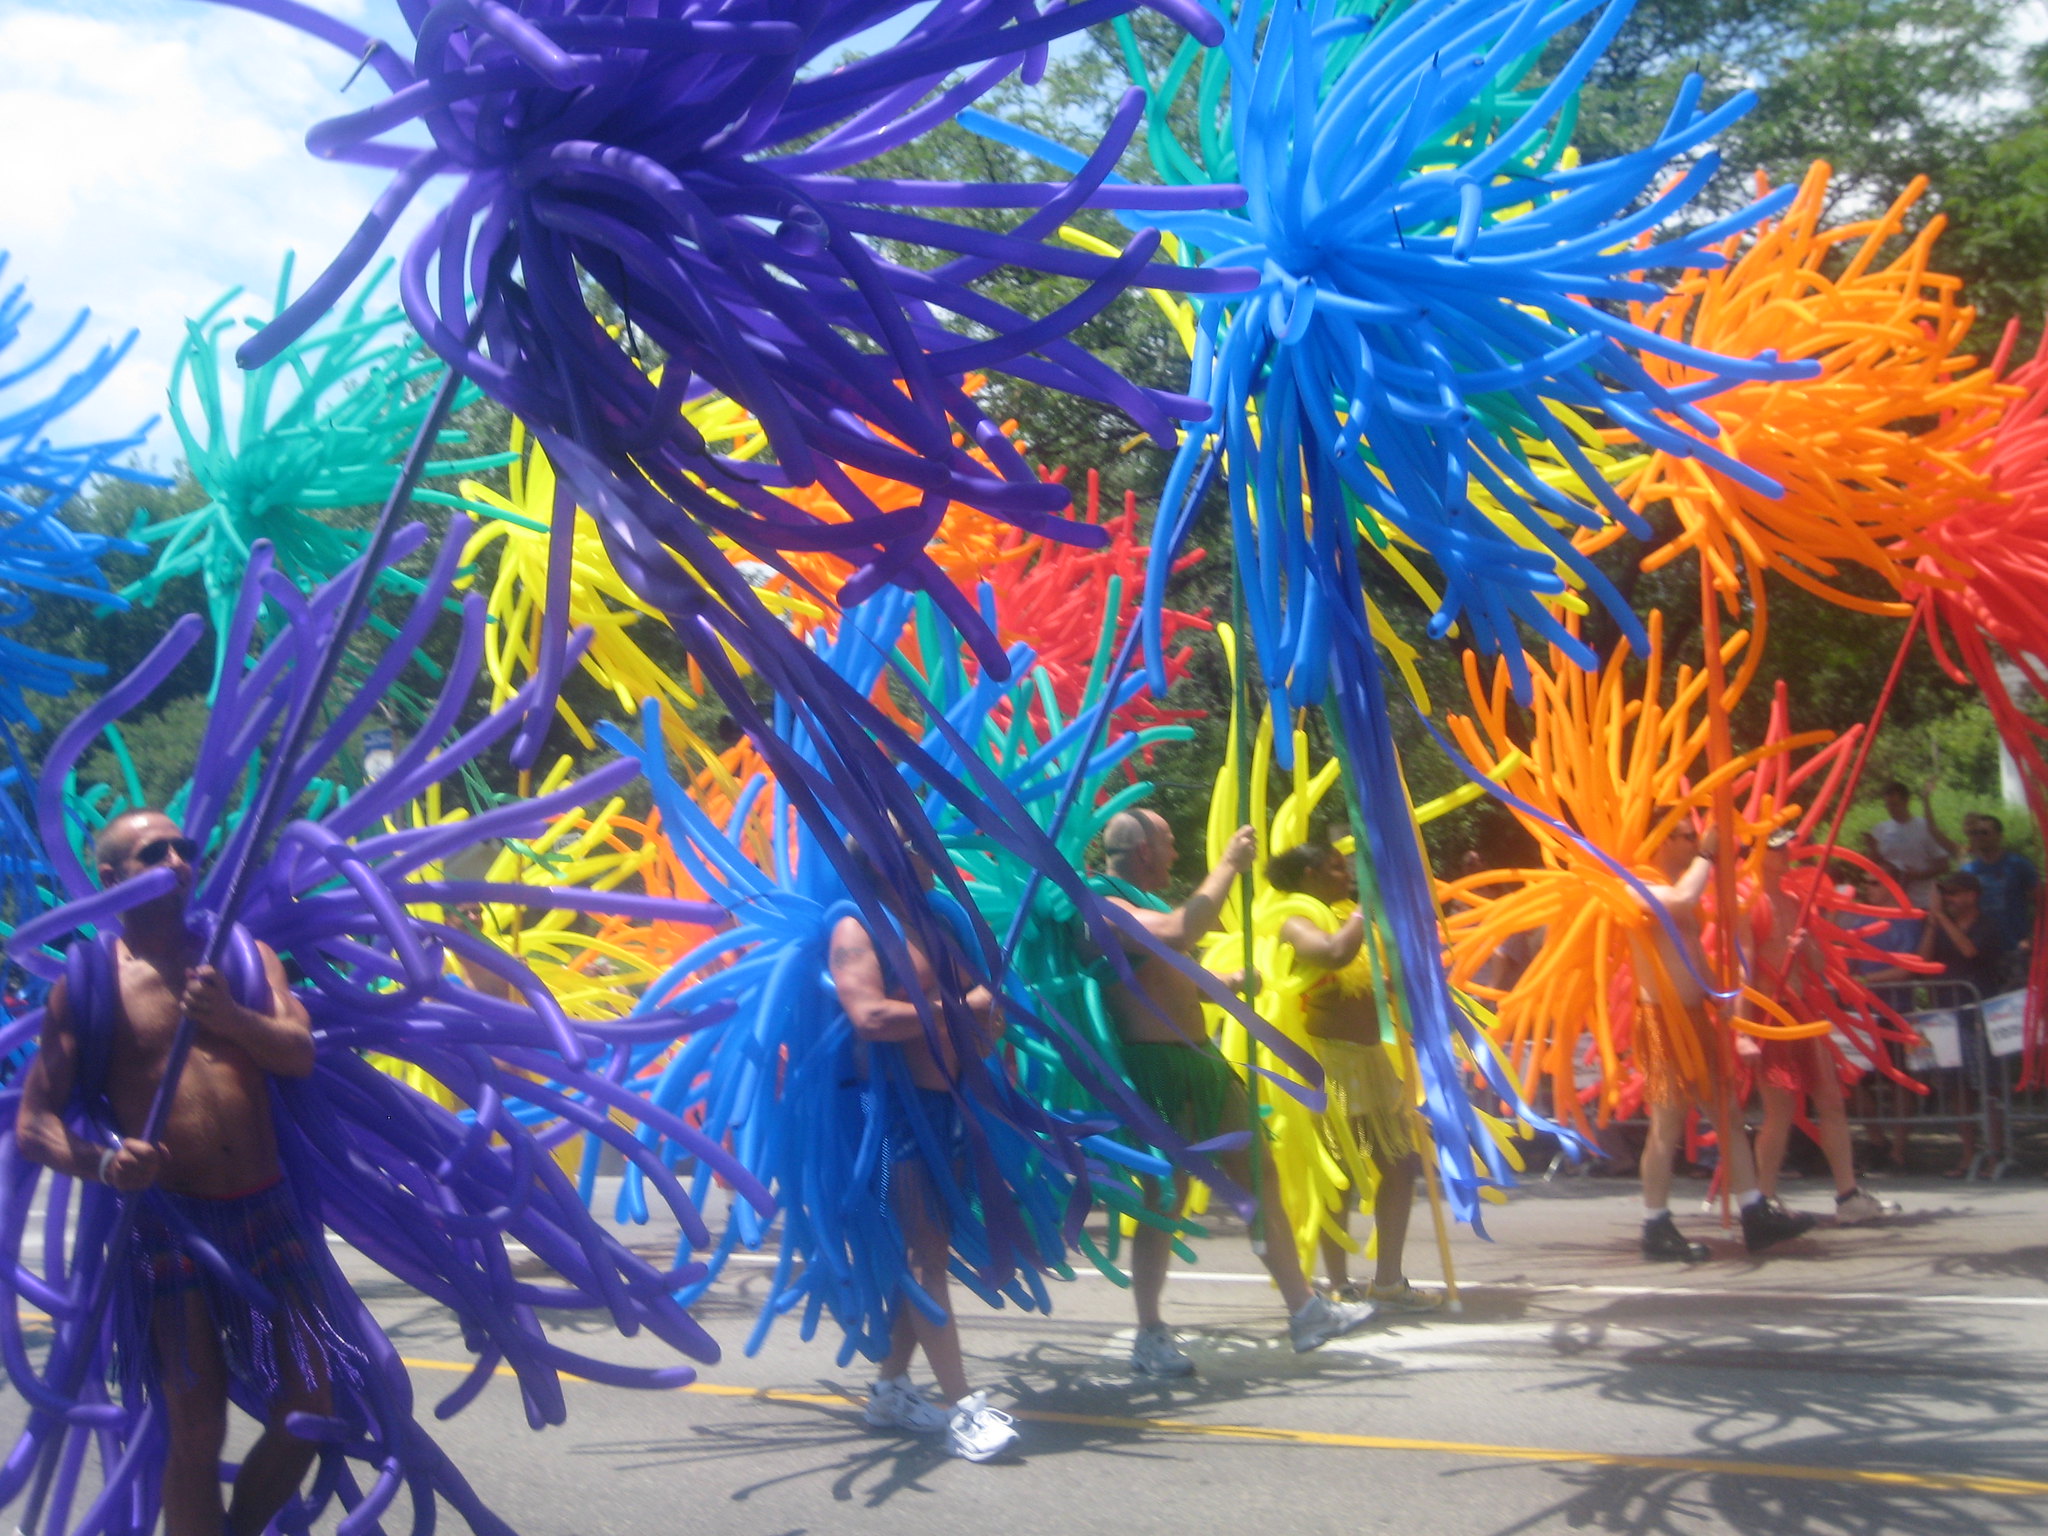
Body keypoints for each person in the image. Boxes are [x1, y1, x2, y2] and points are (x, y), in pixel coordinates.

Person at [14, 811, 343, 1536]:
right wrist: (104, 1163)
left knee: (311, 1405)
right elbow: (34, 1124)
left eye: (184, 848)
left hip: (267, 1214)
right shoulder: (90, 985)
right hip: (169, 1230)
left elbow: (297, 1053)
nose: (176, 860)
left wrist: (230, 1017)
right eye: (153, 852)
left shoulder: (243, 958)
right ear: (111, 879)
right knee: (195, 1429)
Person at [1092, 810, 1373, 1376]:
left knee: (1259, 1172)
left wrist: (1229, 983)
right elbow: (1179, 931)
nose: (1176, 854)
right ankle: (1149, 1333)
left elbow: (1171, 975)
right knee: (1165, 1199)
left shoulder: (1143, 904)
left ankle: (1305, 1311)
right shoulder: (1102, 905)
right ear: (1144, 851)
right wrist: (1228, 864)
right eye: (1169, 842)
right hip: (1155, 1069)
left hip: (1203, 1063)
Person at [829, 850, 1019, 1462]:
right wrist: (962, 1011)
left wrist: (988, 1023)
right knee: (925, 1255)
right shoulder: (858, 928)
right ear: (885, 860)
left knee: (928, 1253)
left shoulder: (936, 926)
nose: (924, 847)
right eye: (908, 841)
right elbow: (869, 1016)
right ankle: (964, 1411)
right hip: (895, 1114)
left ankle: (889, 1389)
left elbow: (977, 1020)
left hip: (949, 1108)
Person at [1266, 842, 1439, 1311]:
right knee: (1339, 1175)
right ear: (1308, 875)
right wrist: (1366, 908)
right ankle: (1338, 1282)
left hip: (1371, 1062)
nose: (1346, 875)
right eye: (1335, 867)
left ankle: (1388, 1281)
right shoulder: (1292, 919)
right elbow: (1332, 955)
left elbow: (1366, 984)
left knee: (1400, 1166)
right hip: (1329, 1066)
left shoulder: (1347, 916)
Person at [1634, 821, 1815, 1260]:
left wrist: (1722, 1000)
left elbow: (1693, 950)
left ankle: (1755, 1213)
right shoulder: (1633, 884)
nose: (1696, 842)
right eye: (1687, 836)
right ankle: (1655, 1224)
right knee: (1667, 1124)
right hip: (1662, 1022)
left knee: (1729, 1115)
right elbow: (1681, 902)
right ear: (1663, 839)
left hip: (1696, 1017)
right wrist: (1708, 855)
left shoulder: (1677, 884)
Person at [1743, 830, 1899, 1225]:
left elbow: (1816, 965)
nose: (1786, 852)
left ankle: (1848, 1195)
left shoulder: (1796, 902)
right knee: (1779, 1111)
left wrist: (1806, 944)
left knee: (1830, 1100)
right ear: (1759, 854)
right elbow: (1741, 973)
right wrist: (1744, 1032)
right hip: (1771, 1017)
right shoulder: (1749, 906)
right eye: (1777, 847)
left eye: (1786, 845)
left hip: (1803, 1012)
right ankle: (1763, 1200)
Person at [1862, 780, 1955, 939]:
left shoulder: (1924, 828)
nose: (1891, 809)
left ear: (1906, 801)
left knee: (1920, 944)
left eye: (1895, 804)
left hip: (1921, 903)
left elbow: (1944, 865)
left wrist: (1918, 875)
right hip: (1892, 905)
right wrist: (1872, 848)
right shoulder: (1881, 829)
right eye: (1888, 805)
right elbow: (1876, 867)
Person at [1961, 814, 2036, 984]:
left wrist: (2033, 937)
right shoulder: (1968, 871)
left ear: (1999, 836)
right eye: (1974, 833)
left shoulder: (2018, 864)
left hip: (2015, 947)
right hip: (1981, 950)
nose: (1978, 837)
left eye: (1984, 832)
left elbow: (2042, 902)